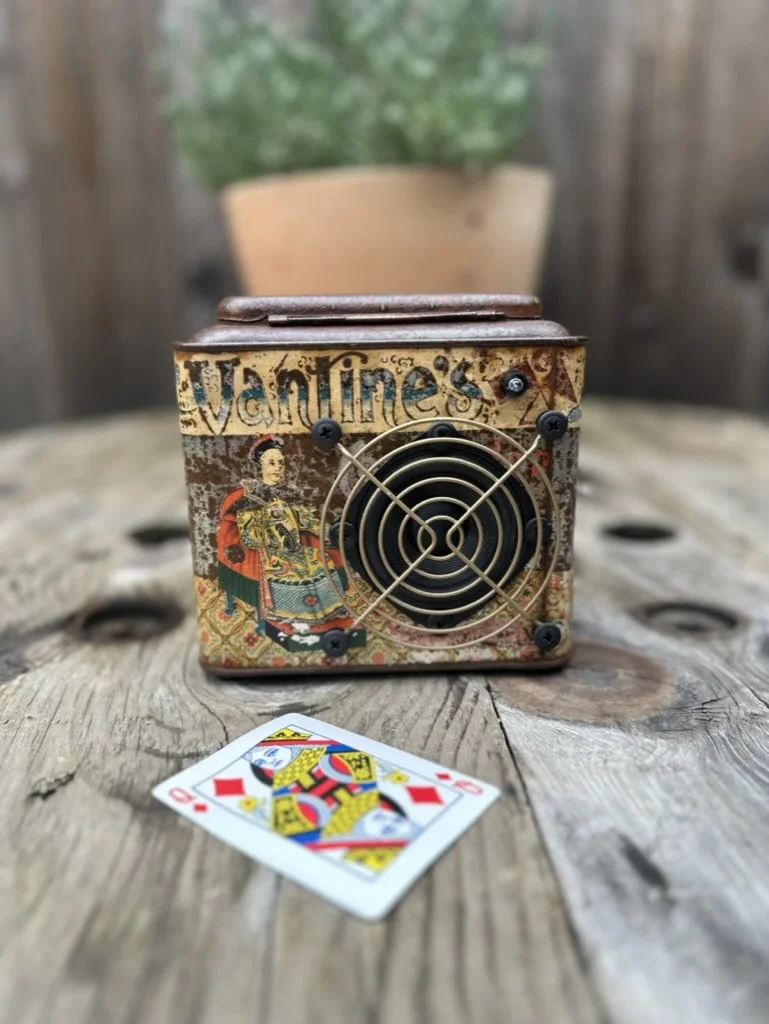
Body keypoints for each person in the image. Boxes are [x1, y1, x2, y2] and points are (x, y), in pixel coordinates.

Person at [216, 434, 349, 635]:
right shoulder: (248, 496)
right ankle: (295, 616)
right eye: (271, 462)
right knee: (295, 570)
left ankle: (325, 611)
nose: (278, 467)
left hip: (292, 544)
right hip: (267, 550)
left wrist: (299, 520)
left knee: (320, 559)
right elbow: (249, 531)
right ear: (260, 466)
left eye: (280, 462)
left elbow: (298, 520)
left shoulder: (284, 493)